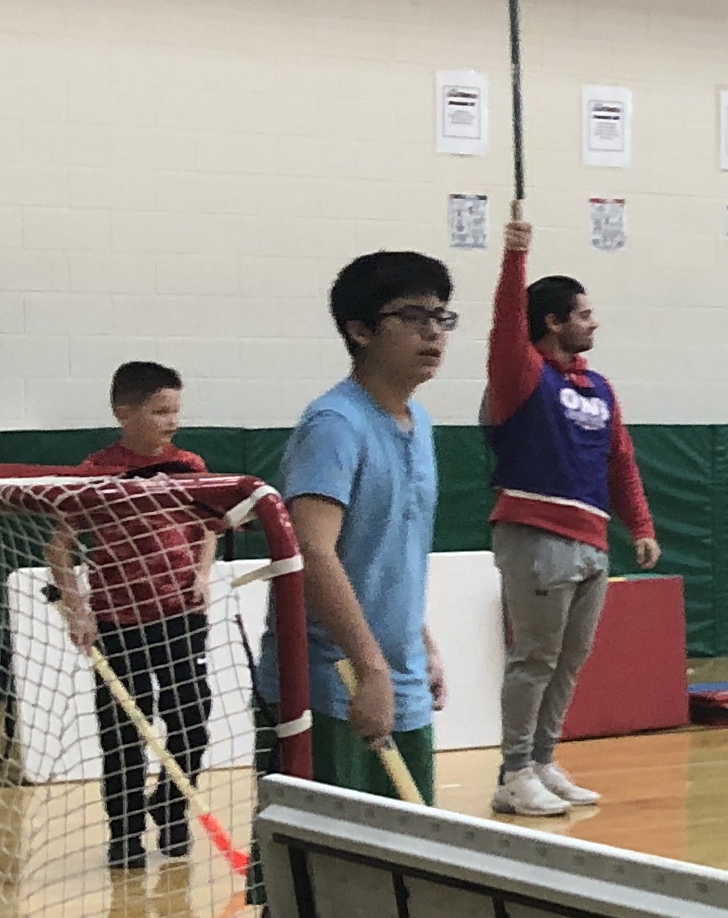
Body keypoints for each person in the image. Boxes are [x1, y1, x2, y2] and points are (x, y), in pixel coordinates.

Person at [484, 217, 660, 821]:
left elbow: (621, 461)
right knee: (533, 656)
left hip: (591, 541)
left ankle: (542, 760)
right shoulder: (522, 376)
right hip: (536, 533)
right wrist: (515, 255)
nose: (594, 322)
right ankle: (512, 773)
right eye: (583, 313)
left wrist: (639, 525)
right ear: (554, 322)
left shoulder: (600, 388)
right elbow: (507, 322)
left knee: (569, 659)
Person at [282, 252, 452, 802]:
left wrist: (421, 642)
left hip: (397, 678)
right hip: (339, 684)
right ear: (359, 331)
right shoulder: (334, 426)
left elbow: (393, 549)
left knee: (412, 865)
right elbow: (313, 551)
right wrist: (370, 669)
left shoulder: (419, 420)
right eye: (413, 316)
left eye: (442, 316)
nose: (434, 332)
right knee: (329, 874)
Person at [44, 359, 216, 870]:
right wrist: (78, 611)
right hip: (119, 622)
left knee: (192, 721)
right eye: (161, 411)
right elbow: (60, 549)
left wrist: (202, 575)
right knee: (122, 731)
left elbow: (205, 528)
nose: (172, 421)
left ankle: (172, 807)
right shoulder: (97, 471)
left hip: (180, 617)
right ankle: (124, 835)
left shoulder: (190, 465)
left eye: (176, 411)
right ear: (124, 412)